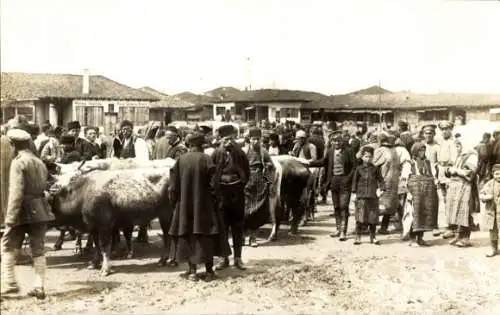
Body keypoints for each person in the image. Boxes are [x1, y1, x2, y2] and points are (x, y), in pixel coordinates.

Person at [1, 128, 55, 299]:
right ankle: (39, 286)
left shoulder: (18, 162)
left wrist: (10, 217)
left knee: (7, 245)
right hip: (40, 209)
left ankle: (10, 283)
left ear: (12, 144)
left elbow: (17, 192)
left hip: (22, 211)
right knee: (38, 248)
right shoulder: (38, 161)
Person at [168, 132, 227, 282]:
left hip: (185, 206)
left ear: (189, 145)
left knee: (188, 235)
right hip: (204, 206)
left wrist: (175, 204)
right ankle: (209, 272)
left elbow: (172, 188)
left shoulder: (180, 160)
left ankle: (192, 272)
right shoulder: (206, 159)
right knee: (206, 235)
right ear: (202, 145)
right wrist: (216, 201)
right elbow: (214, 185)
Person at [212, 125, 250, 270]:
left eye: (230, 138)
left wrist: (240, 183)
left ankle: (238, 258)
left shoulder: (240, 154)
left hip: (237, 194)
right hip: (221, 194)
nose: (228, 142)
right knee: (222, 226)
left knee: (237, 226)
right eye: (225, 139)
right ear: (220, 139)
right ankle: (224, 258)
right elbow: (211, 173)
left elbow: (247, 173)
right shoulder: (216, 154)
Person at [308, 130, 357, 240]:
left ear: (342, 140)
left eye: (339, 140)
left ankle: (343, 231)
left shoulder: (349, 151)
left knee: (344, 207)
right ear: (331, 141)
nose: (337, 143)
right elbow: (323, 162)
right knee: (336, 207)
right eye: (334, 141)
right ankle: (337, 229)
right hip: (334, 181)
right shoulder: (330, 151)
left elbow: (354, 167)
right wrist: (308, 163)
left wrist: (348, 179)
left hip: (344, 182)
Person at [242, 127, 276, 242]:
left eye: (257, 139)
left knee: (256, 213)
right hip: (246, 184)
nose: (255, 141)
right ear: (249, 139)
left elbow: (272, 167)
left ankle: (253, 238)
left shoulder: (263, 152)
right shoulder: (244, 151)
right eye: (253, 139)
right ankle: (242, 236)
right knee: (244, 211)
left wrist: (268, 169)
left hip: (259, 186)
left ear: (260, 140)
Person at [445, 140, 480, 247]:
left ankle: (465, 238)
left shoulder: (472, 156)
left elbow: (470, 172)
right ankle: (458, 235)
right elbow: (449, 170)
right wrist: (449, 170)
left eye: (459, 145)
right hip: (456, 187)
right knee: (456, 210)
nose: (457, 148)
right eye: (456, 146)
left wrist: (456, 171)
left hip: (466, 187)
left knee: (465, 211)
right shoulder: (459, 156)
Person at [405, 142, 439, 247]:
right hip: (415, 193)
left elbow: (433, 176)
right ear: (415, 152)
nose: (422, 153)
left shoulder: (428, 163)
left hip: (427, 193)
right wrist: (408, 193)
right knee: (414, 214)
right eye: (420, 151)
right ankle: (412, 239)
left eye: (423, 150)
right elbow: (404, 179)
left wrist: (435, 182)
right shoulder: (409, 163)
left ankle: (420, 238)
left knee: (425, 214)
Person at [351, 146, 385, 245]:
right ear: (362, 157)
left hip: (372, 196)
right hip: (361, 196)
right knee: (359, 217)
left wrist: (381, 189)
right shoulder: (358, 169)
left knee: (373, 217)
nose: (368, 159)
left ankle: (373, 237)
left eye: (370, 157)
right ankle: (358, 237)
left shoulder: (375, 169)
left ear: (373, 157)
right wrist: (354, 193)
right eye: (366, 156)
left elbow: (381, 179)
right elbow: (354, 181)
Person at [373, 132, 401, 234]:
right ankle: (383, 227)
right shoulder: (395, 151)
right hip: (393, 181)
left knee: (378, 204)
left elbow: (373, 165)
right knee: (389, 205)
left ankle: (369, 226)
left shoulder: (380, 150)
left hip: (384, 181)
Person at [436, 121, 459, 239]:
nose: (444, 131)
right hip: (441, 172)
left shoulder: (453, 143)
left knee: (451, 200)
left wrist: (450, 172)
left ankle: (452, 227)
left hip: (449, 173)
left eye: (446, 129)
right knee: (445, 200)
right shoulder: (441, 143)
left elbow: (454, 160)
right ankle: (449, 225)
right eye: (442, 129)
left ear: (451, 130)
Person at [479, 163, 500, 257]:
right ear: (492, 174)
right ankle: (494, 248)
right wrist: (486, 197)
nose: (499, 176)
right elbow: (481, 194)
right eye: (496, 174)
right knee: (493, 231)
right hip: (492, 212)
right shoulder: (489, 184)